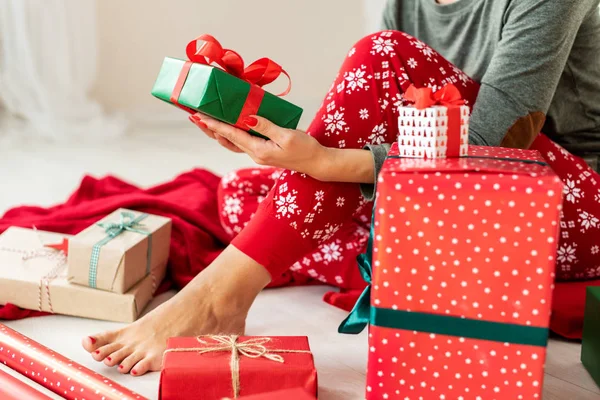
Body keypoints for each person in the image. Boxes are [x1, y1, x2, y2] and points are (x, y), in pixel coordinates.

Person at [82, 0, 600, 376]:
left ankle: (220, 296)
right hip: (444, 200)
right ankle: (406, 267)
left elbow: (491, 148)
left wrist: (323, 161)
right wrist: (289, 151)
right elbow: (392, 131)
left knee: (382, 56)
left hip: (560, 205)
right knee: (244, 196)